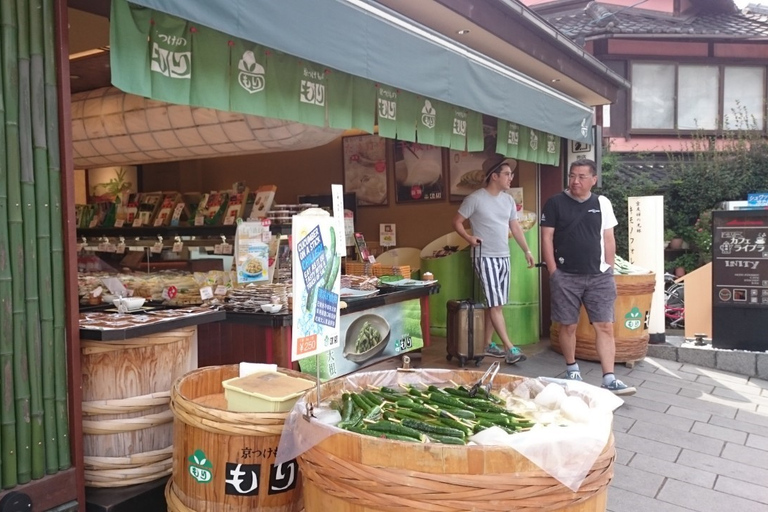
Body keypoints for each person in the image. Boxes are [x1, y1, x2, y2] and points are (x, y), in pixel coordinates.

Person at [540, 159, 636, 395]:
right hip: (566, 275)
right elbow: (546, 238)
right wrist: (554, 272)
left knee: (605, 325)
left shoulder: (602, 203)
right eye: (572, 176)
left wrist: (610, 269)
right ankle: (572, 368)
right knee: (568, 325)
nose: (575, 181)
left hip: (599, 276)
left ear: (594, 180)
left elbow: (609, 238)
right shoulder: (555, 203)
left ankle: (609, 377)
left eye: (582, 177)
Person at [453, 154, 535, 365]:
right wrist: (469, 238)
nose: (511, 178)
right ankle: (510, 347)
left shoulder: (508, 200)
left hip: (503, 256)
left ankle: (488, 344)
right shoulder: (475, 199)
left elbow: (514, 227)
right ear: (494, 176)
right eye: (507, 174)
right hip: (484, 256)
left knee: (496, 304)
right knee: (496, 304)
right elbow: (458, 222)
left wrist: (526, 250)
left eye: (511, 174)